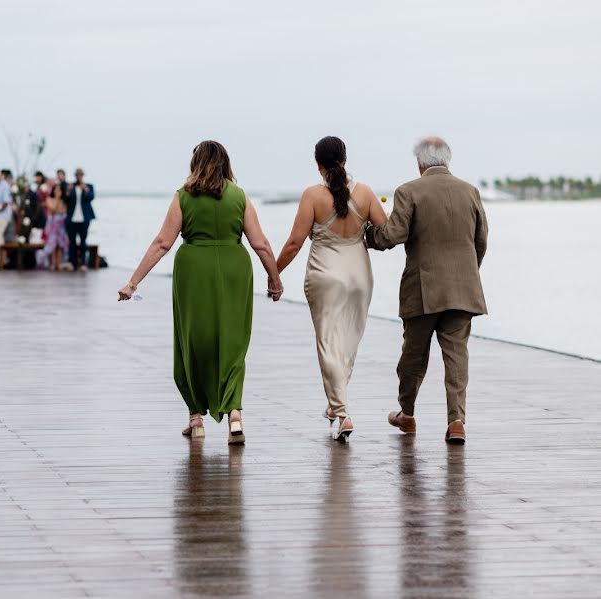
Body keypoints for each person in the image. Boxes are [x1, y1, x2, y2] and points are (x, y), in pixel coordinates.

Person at [117, 141, 283, 445]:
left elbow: (162, 243)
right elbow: (260, 243)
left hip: (193, 270)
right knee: (233, 341)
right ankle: (234, 415)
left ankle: (196, 418)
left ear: (195, 163)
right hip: (234, 268)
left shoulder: (183, 197)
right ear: (226, 163)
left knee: (191, 340)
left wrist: (133, 282)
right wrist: (274, 279)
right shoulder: (240, 197)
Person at [366, 136, 488, 444]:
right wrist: (468, 273)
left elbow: (393, 235)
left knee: (413, 356)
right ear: (447, 159)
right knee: (457, 359)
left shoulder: (409, 191)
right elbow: (481, 239)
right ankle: (457, 421)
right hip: (463, 290)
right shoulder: (470, 191)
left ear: (419, 164)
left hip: (423, 290)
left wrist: (367, 235)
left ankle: (406, 414)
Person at [275, 136, 388, 442]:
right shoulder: (364, 192)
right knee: (347, 345)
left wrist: (274, 273)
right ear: (345, 161)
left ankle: (342, 413)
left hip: (325, 274)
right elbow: (386, 230)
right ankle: (335, 405)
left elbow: (295, 243)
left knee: (328, 343)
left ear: (318, 165)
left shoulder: (312, 195)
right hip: (360, 276)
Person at [65, 168, 95, 271]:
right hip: (72, 218)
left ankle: (83, 263)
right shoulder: (71, 186)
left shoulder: (89, 186)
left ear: (83, 176)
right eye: (77, 175)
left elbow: (91, 197)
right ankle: (72, 263)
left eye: (81, 175)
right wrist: (68, 191)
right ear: (75, 176)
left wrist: (85, 189)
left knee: (83, 241)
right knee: (72, 242)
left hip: (84, 218)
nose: (79, 177)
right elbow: (66, 200)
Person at [38, 180, 68, 271]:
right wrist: (58, 201)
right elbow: (53, 209)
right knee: (52, 244)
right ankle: (52, 263)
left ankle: (58, 263)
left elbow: (64, 211)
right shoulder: (49, 199)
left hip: (61, 224)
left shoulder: (64, 201)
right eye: (56, 190)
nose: (57, 192)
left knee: (60, 244)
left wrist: (59, 207)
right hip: (52, 225)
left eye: (59, 190)